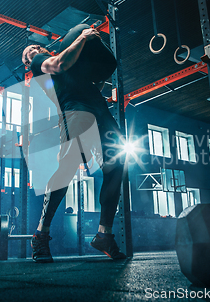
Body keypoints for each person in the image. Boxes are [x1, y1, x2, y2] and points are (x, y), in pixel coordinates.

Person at [21, 24, 127, 262]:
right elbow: (59, 65)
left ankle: (104, 235)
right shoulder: (41, 64)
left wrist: (91, 64)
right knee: (67, 167)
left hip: (99, 110)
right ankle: (41, 234)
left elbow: (91, 82)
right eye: (30, 50)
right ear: (29, 62)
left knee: (117, 165)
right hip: (76, 111)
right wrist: (83, 36)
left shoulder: (69, 61)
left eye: (37, 46)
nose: (36, 48)